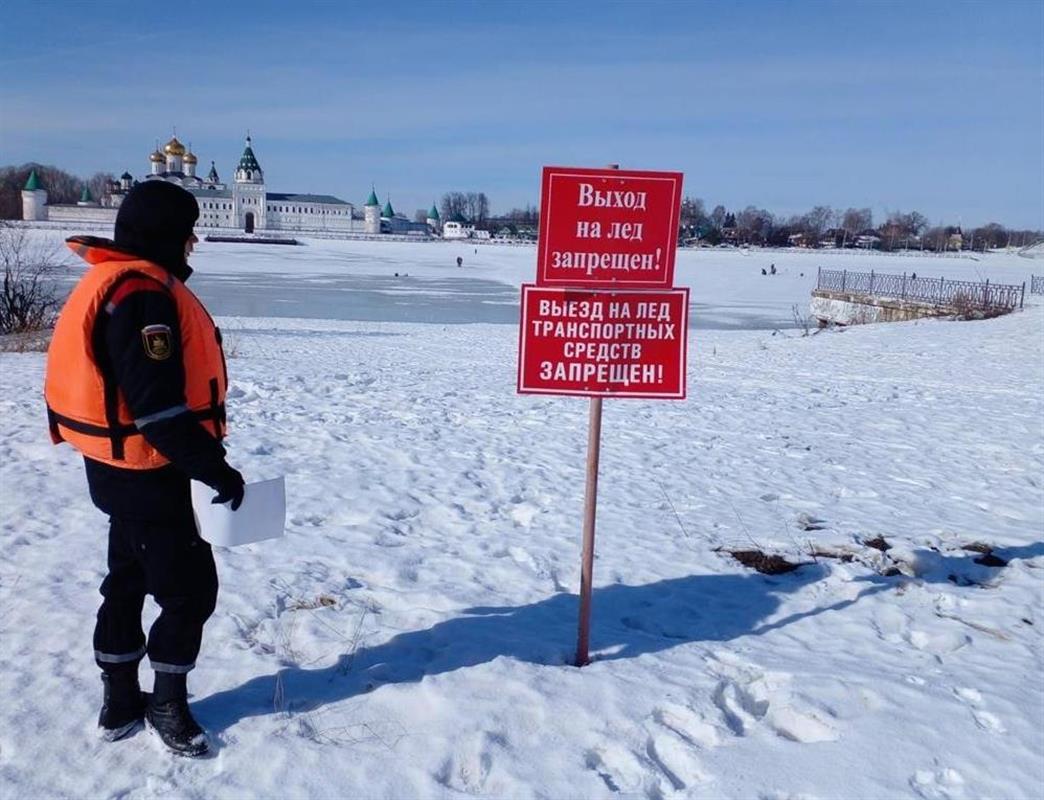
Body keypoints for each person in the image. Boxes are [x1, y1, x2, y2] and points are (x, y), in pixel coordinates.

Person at [44, 181, 244, 757]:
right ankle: (166, 705)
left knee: (127, 580)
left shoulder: (115, 280)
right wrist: (215, 470)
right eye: (188, 234)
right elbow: (157, 410)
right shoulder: (142, 295)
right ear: (166, 236)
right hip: (148, 469)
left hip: (114, 468)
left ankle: (120, 700)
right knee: (188, 592)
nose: (193, 244)